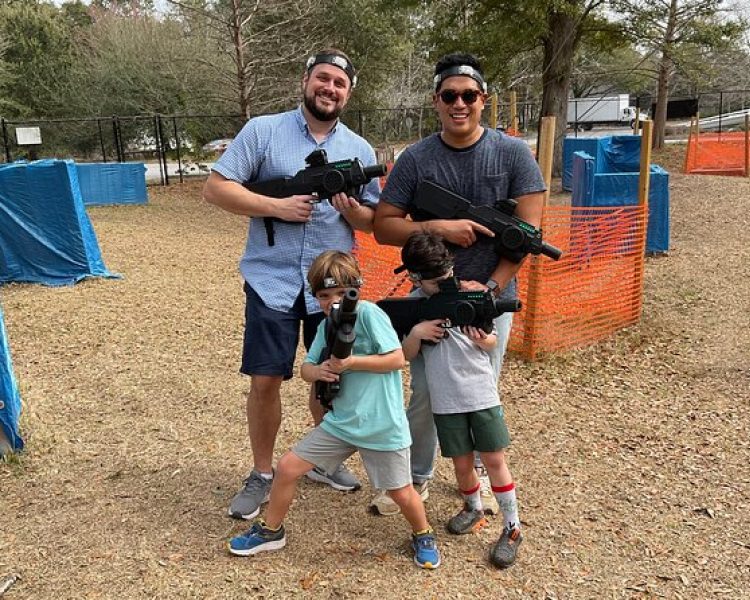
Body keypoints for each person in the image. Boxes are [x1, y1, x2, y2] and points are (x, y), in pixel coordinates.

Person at [203, 48, 380, 520]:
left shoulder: (360, 151)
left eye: (340, 83)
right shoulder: (263, 131)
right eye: (323, 79)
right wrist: (276, 207)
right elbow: (216, 187)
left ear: (348, 93)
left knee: (330, 378)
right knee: (265, 379)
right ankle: (263, 473)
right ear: (306, 80)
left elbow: (373, 221)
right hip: (272, 280)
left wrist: (351, 210)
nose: (330, 89)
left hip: (331, 287)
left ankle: (320, 461)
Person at [371, 53, 547, 516]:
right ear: (437, 101)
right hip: (430, 294)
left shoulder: (513, 154)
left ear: (483, 100)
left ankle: (482, 477)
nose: (459, 103)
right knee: (427, 394)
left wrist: (489, 288)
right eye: (450, 95)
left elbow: (527, 237)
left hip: (489, 298)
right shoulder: (417, 158)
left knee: (481, 390)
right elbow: (385, 226)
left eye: (469, 95)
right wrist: (440, 229)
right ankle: (415, 478)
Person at [226, 251, 441, 570]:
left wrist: (352, 363)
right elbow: (306, 369)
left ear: (356, 290)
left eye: (342, 293)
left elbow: (397, 360)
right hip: (341, 424)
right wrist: (321, 371)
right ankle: (271, 531)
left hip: (382, 425)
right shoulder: (327, 327)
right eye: (324, 296)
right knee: (287, 467)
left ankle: (423, 534)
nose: (333, 302)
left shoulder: (368, 314)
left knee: (401, 492)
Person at [396, 232, 523, 568]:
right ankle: (473, 508)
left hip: (480, 395)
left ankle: (512, 527)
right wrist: (416, 333)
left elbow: (493, 342)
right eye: (437, 282)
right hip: (445, 400)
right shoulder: (414, 307)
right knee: (462, 464)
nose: (446, 285)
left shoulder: (474, 294)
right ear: (415, 278)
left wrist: (481, 339)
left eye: (447, 277)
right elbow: (405, 356)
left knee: (493, 461)